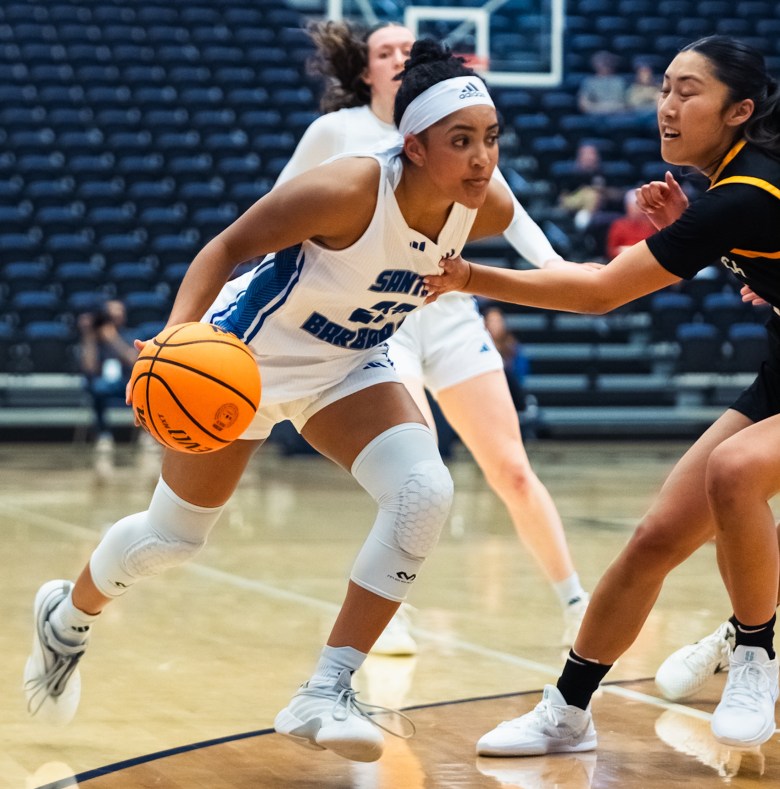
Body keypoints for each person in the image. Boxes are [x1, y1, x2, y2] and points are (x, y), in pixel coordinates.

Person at [23, 39, 515, 764]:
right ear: (412, 147)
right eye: (462, 141)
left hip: (348, 365)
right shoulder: (348, 189)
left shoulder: (488, 209)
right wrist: (170, 342)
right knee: (172, 539)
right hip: (242, 363)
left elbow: (555, 266)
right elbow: (225, 247)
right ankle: (67, 617)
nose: (482, 159)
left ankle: (325, 689)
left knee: (423, 488)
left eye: (492, 139)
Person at [424, 35, 780, 754]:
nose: (668, 106)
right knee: (655, 537)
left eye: (689, 92)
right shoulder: (732, 191)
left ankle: (756, 653)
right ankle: (567, 711)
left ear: (739, 110)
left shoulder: (745, 193)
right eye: (666, 88)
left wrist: (470, 277)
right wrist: (702, 237)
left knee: (734, 471)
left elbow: (598, 292)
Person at [277, 19, 591, 653]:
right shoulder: (335, 134)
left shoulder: (454, 133)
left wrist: (558, 269)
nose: (396, 55)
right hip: (376, 325)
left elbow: (516, 217)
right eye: (382, 50)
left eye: (403, 47)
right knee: (416, 479)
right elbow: (281, 216)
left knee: (511, 468)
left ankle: (576, 604)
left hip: (448, 312)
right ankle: (394, 618)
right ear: (366, 71)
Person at [76, 299, 138, 451]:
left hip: (127, 382)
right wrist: (89, 336)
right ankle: (104, 435)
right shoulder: (93, 339)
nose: (115, 318)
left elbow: (134, 361)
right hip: (103, 384)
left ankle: (146, 435)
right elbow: (89, 368)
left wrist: (113, 339)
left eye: (119, 313)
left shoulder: (131, 335)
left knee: (144, 388)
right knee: (95, 388)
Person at [605, 188, 656, 259]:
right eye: (633, 206)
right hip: (624, 260)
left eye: (638, 206)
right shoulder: (619, 225)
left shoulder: (652, 224)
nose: (636, 210)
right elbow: (611, 251)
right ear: (627, 207)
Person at [577, 50, 626, 115]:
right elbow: (583, 106)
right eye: (602, 62)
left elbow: (627, 104)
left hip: (618, 116)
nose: (605, 64)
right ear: (595, 64)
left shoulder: (620, 81)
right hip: (595, 116)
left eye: (607, 62)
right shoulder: (589, 82)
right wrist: (603, 108)